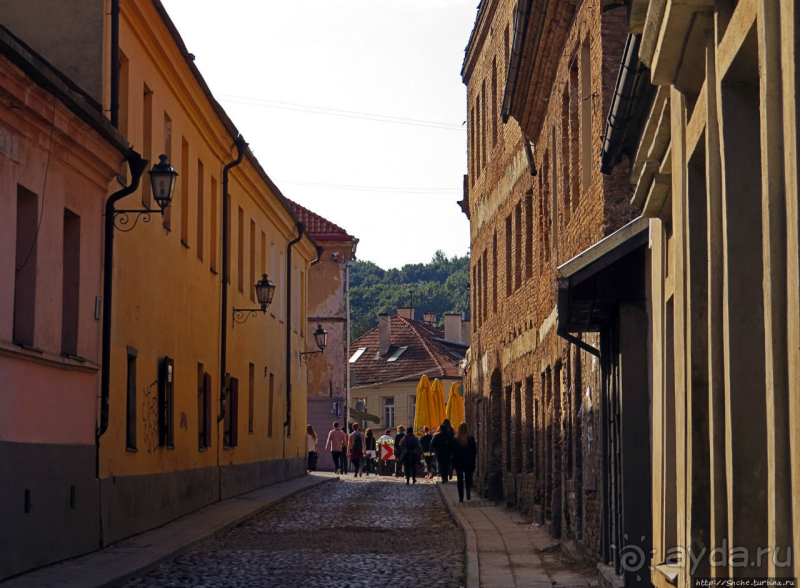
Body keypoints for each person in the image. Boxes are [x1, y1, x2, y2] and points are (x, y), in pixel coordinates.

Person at [452, 422, 477, 502]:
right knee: (468, 478)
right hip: (468, 462)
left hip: (459, 462)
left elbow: (453, 452)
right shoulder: (471, 439)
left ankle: (461, 497)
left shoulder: (456, 439)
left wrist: (453, 464)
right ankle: (468, 492)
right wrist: (473, 462)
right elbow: (474, 452)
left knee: (460, 479)